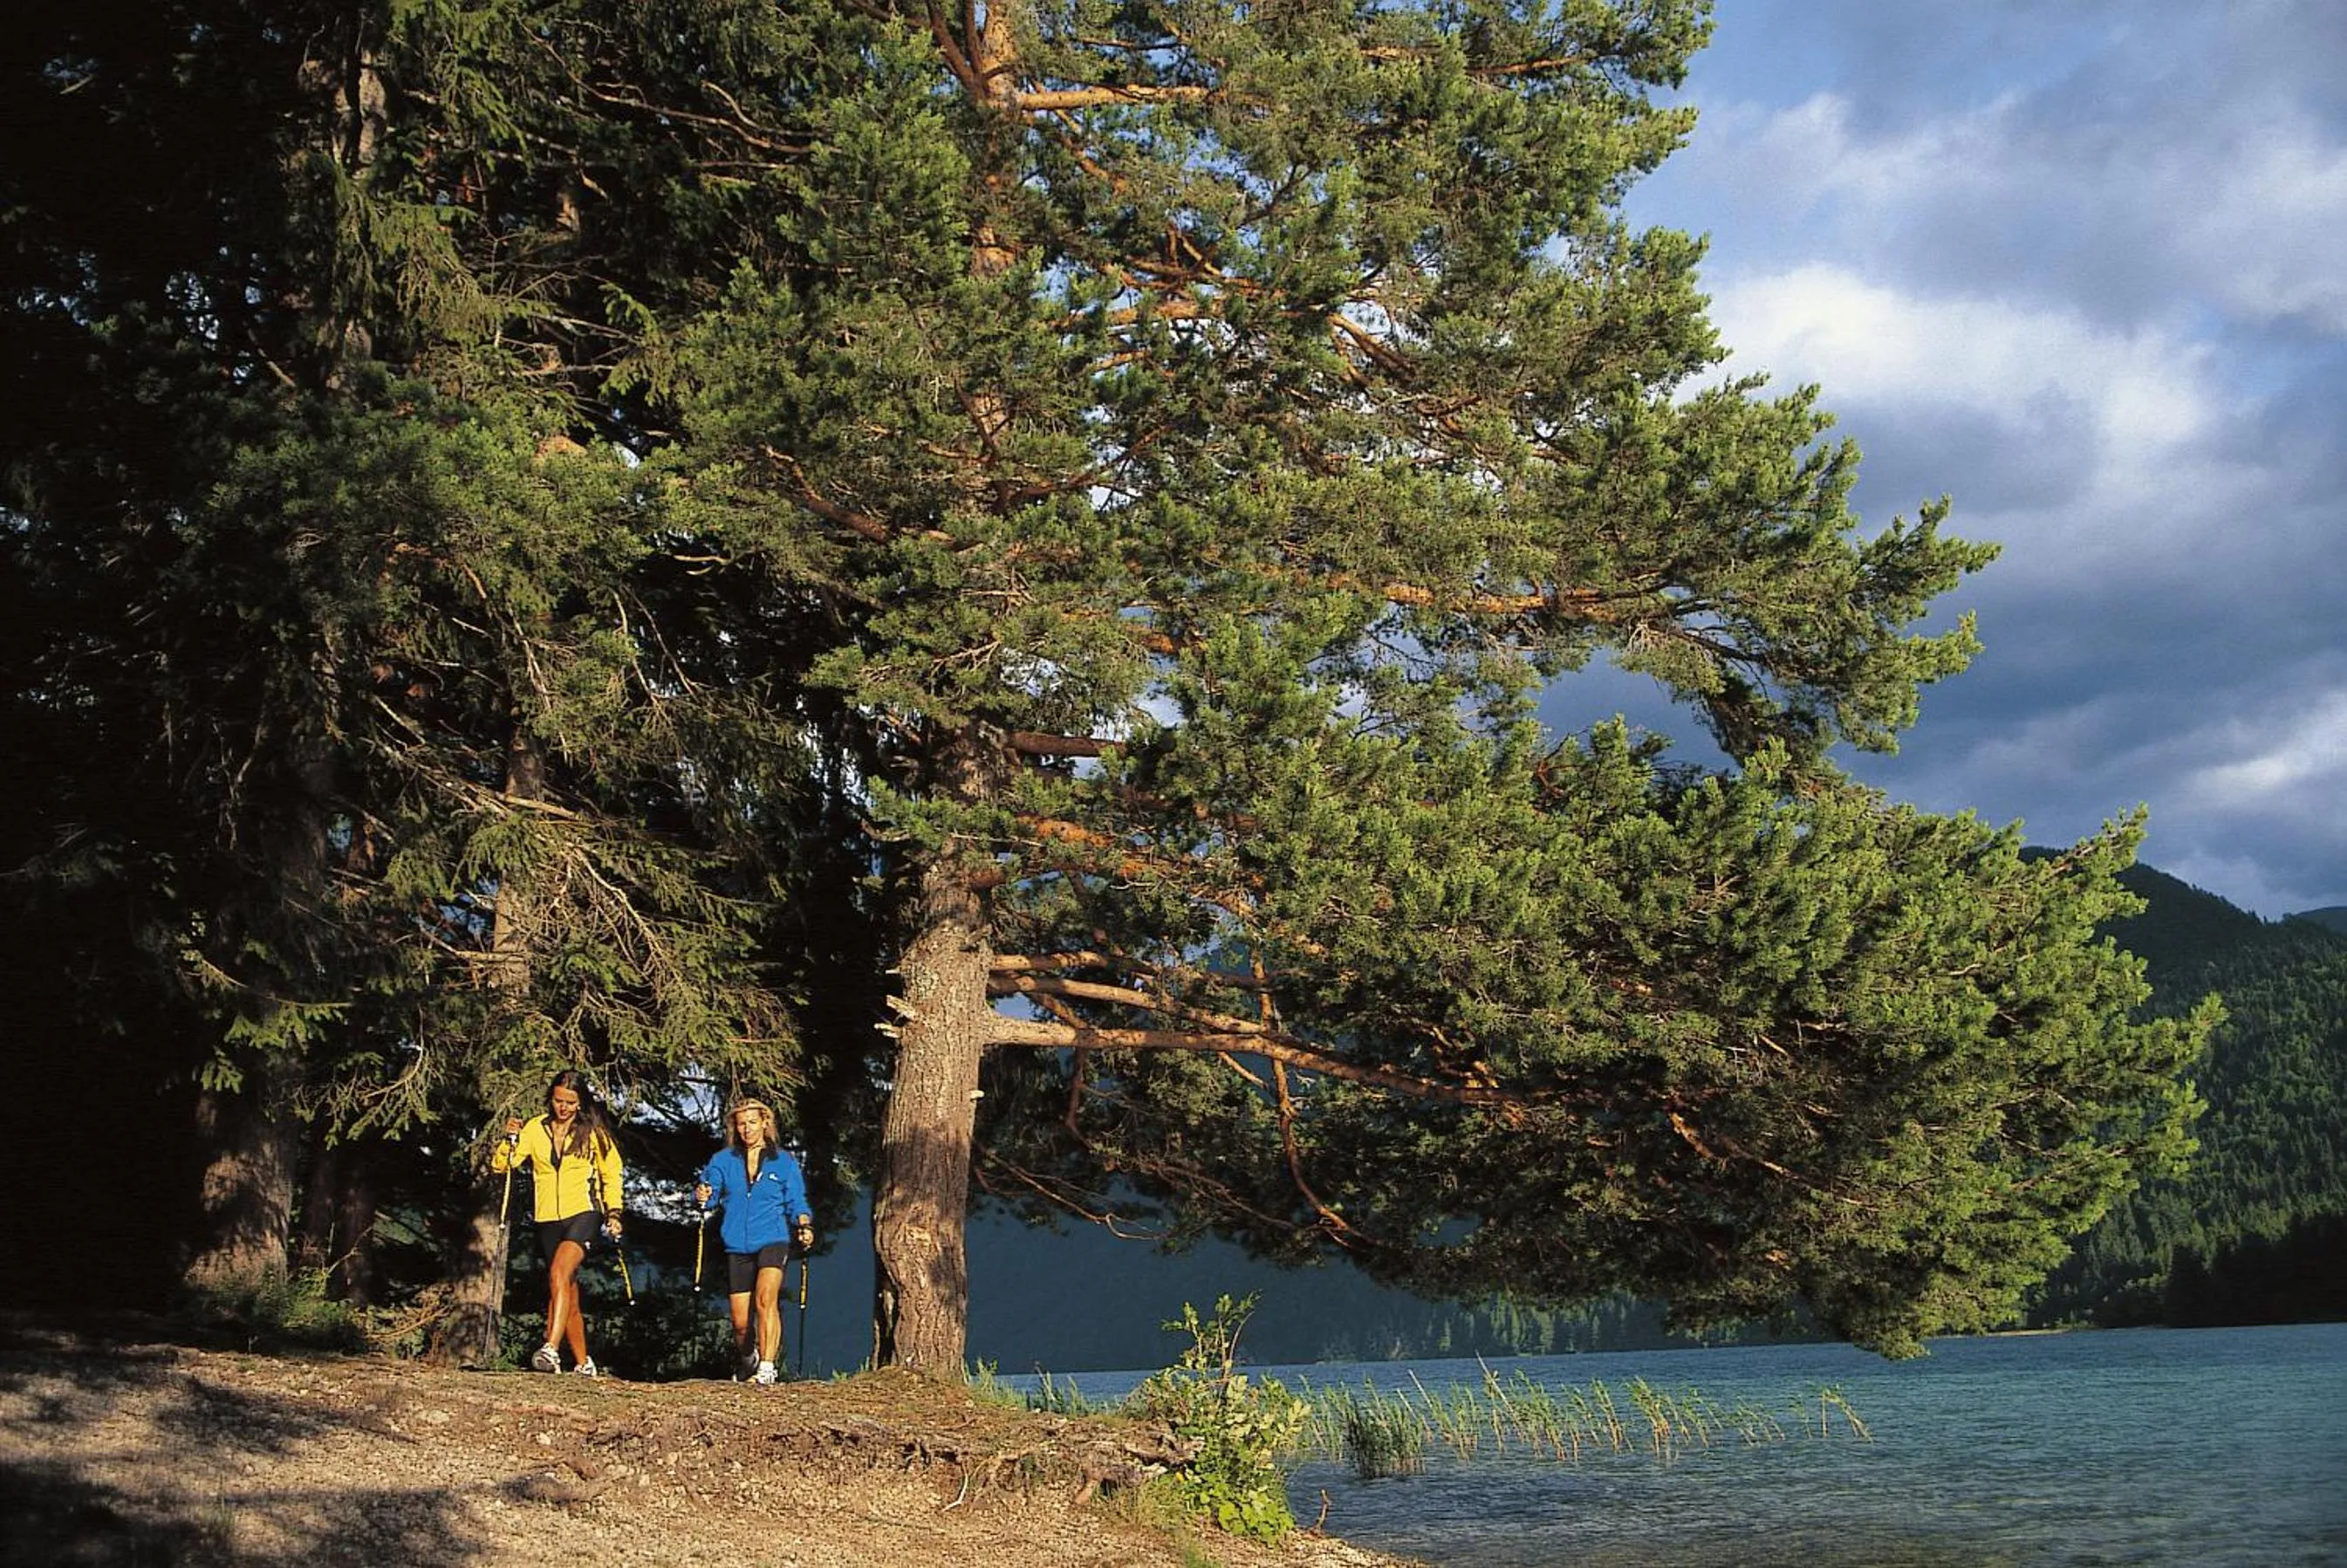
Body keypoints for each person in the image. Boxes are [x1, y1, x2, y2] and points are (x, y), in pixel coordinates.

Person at [493, 1070, 625, 1377]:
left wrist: (614, 1212)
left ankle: (550, 1349)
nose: (562, 1107)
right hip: (547, 1218)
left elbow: (611, 1173)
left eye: (569, 1102)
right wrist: (508, 1139)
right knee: (566, 1290)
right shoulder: (535, 1129)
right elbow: (504, 1164)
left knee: (559, 1272)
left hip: (584, 1212)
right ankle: (583, 1364)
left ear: (580, 1103)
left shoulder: (593, 1132)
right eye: (557, 1101)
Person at [695, 1099, 813, 1384]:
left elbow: (796, 1200)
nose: (747, 1129)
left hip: (773, 1238)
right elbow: (709, 1195)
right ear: (734, 1127)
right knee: (739, 1323)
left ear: (764, 1123)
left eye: (752, 1122)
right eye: (741, 1123)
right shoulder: (723, 1160)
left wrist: (804, 1223)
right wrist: (702, 1195)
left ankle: (768, 1368)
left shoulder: (782, 1161)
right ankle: (749, 1359)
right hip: (737, 1243)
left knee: (765, 1299)